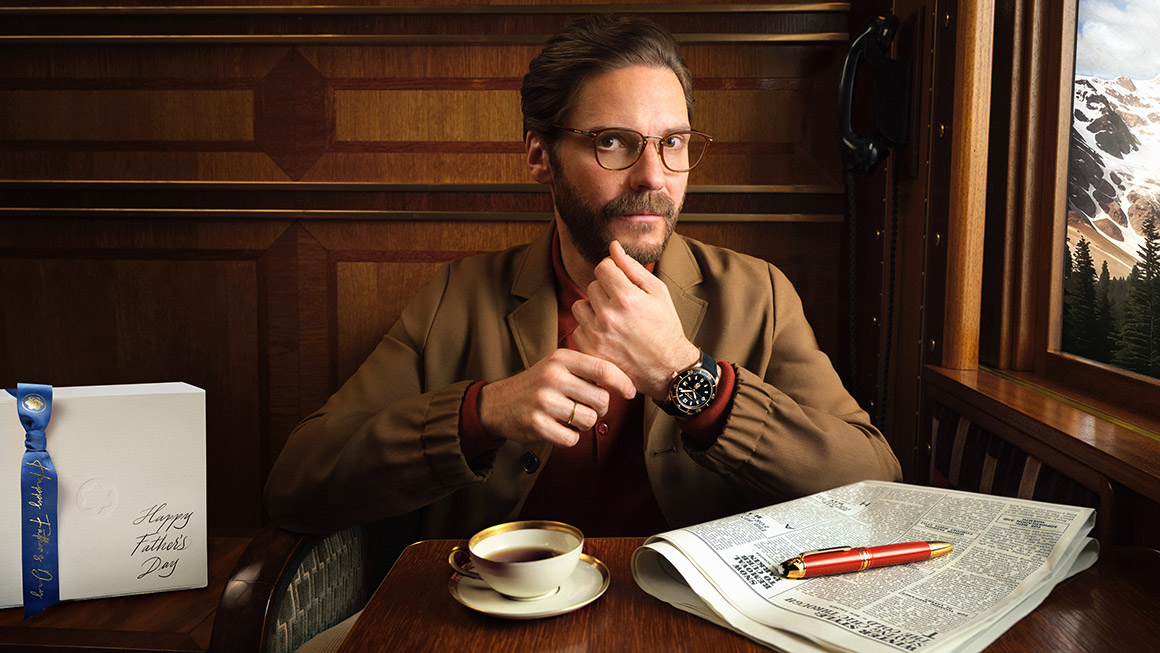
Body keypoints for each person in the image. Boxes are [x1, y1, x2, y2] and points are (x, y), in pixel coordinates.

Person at [264, 14, 901, 544]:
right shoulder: (456, 297)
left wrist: (688, 378)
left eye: (673, 143)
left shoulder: (758, 294)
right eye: (614, 143)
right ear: (540, 156)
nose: (654, 176)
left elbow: (878, 487)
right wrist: (483, 412)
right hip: (499, 620)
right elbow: (295, 486)